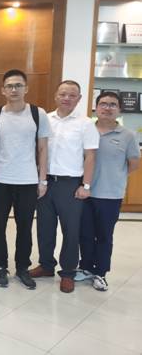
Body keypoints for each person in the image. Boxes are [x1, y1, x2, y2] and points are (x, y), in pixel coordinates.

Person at [29, 80, 99, 293]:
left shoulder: (86, 123)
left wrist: (86, 185)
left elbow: (90, 156)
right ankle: (46, 265)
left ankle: (68, 272)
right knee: (44, 227)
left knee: (71, 230)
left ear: (79, 98)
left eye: (72, 95)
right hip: (46, 182)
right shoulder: (45, 120)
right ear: (56, 96)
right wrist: (40, 180)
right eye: (63, 94)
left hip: (70, 184)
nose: (67, 98)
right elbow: (38, 150)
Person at [0, 69, 50, 289]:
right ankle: (1, 266)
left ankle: (22, 267)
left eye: (18, 85)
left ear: (26, 88)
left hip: (27, 181)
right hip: (0, 179)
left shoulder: (37, 114)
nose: (14, 89)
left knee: (24, 227)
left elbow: (43, 148)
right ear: (3, 90)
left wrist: (42, 180)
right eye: (10, 86)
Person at [76, 91, 140, 291]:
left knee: (104, 236)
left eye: (113, 104)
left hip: (110, 195)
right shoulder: (86, 130)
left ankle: (100, 272)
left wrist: (115, 176)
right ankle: (86, 267)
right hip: (84, 193)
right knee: (85, 234)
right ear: (96, 108)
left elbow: (133, 163)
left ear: (119, 109)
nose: (107, 108)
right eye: (103, 104)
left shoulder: (127, 135)